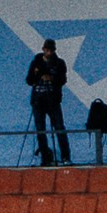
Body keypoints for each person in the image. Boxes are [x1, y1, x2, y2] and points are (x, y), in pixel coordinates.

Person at [27, 39, 72, 167]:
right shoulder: (35, 62)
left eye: (51, 50)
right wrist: (38, 76)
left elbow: (62, 80)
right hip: (38, 101)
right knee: (40, 130)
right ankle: (45, 158)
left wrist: (51, 78)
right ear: (43, 49)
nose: (49, 52)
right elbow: (29, 80)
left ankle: (65, 156)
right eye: (47, 50)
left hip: (53, 101)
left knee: (59, 128)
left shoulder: (59, 63)